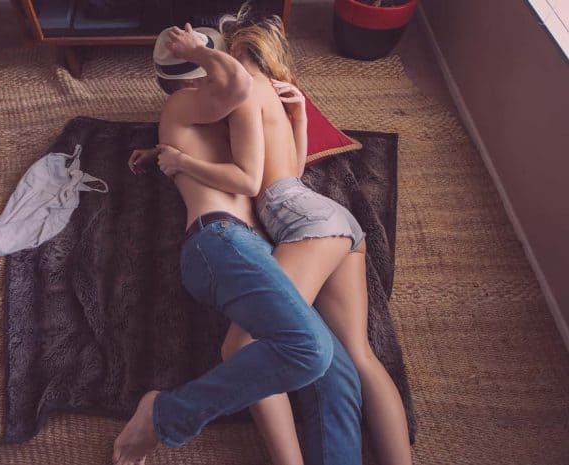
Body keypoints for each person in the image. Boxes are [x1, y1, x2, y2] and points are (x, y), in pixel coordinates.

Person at [152, 5, 413, 465]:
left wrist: (179, 156)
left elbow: (252, 181)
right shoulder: (273, 96)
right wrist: (300, 120)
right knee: (360, 357)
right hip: (333, 221)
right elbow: (289, 174)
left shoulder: (245, 89)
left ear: (233, 54)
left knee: (240, 345)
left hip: (305, 223)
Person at [113, 23, 362, 465]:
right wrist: (199, 50)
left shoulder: (211, 122)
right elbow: (237, 86)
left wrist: (298, 117)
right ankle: (164, 414)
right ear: (193, 79)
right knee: (310, 349)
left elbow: (264, 157)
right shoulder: (181, 104)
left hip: (254, 248)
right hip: (218, 241)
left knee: (337, 372)